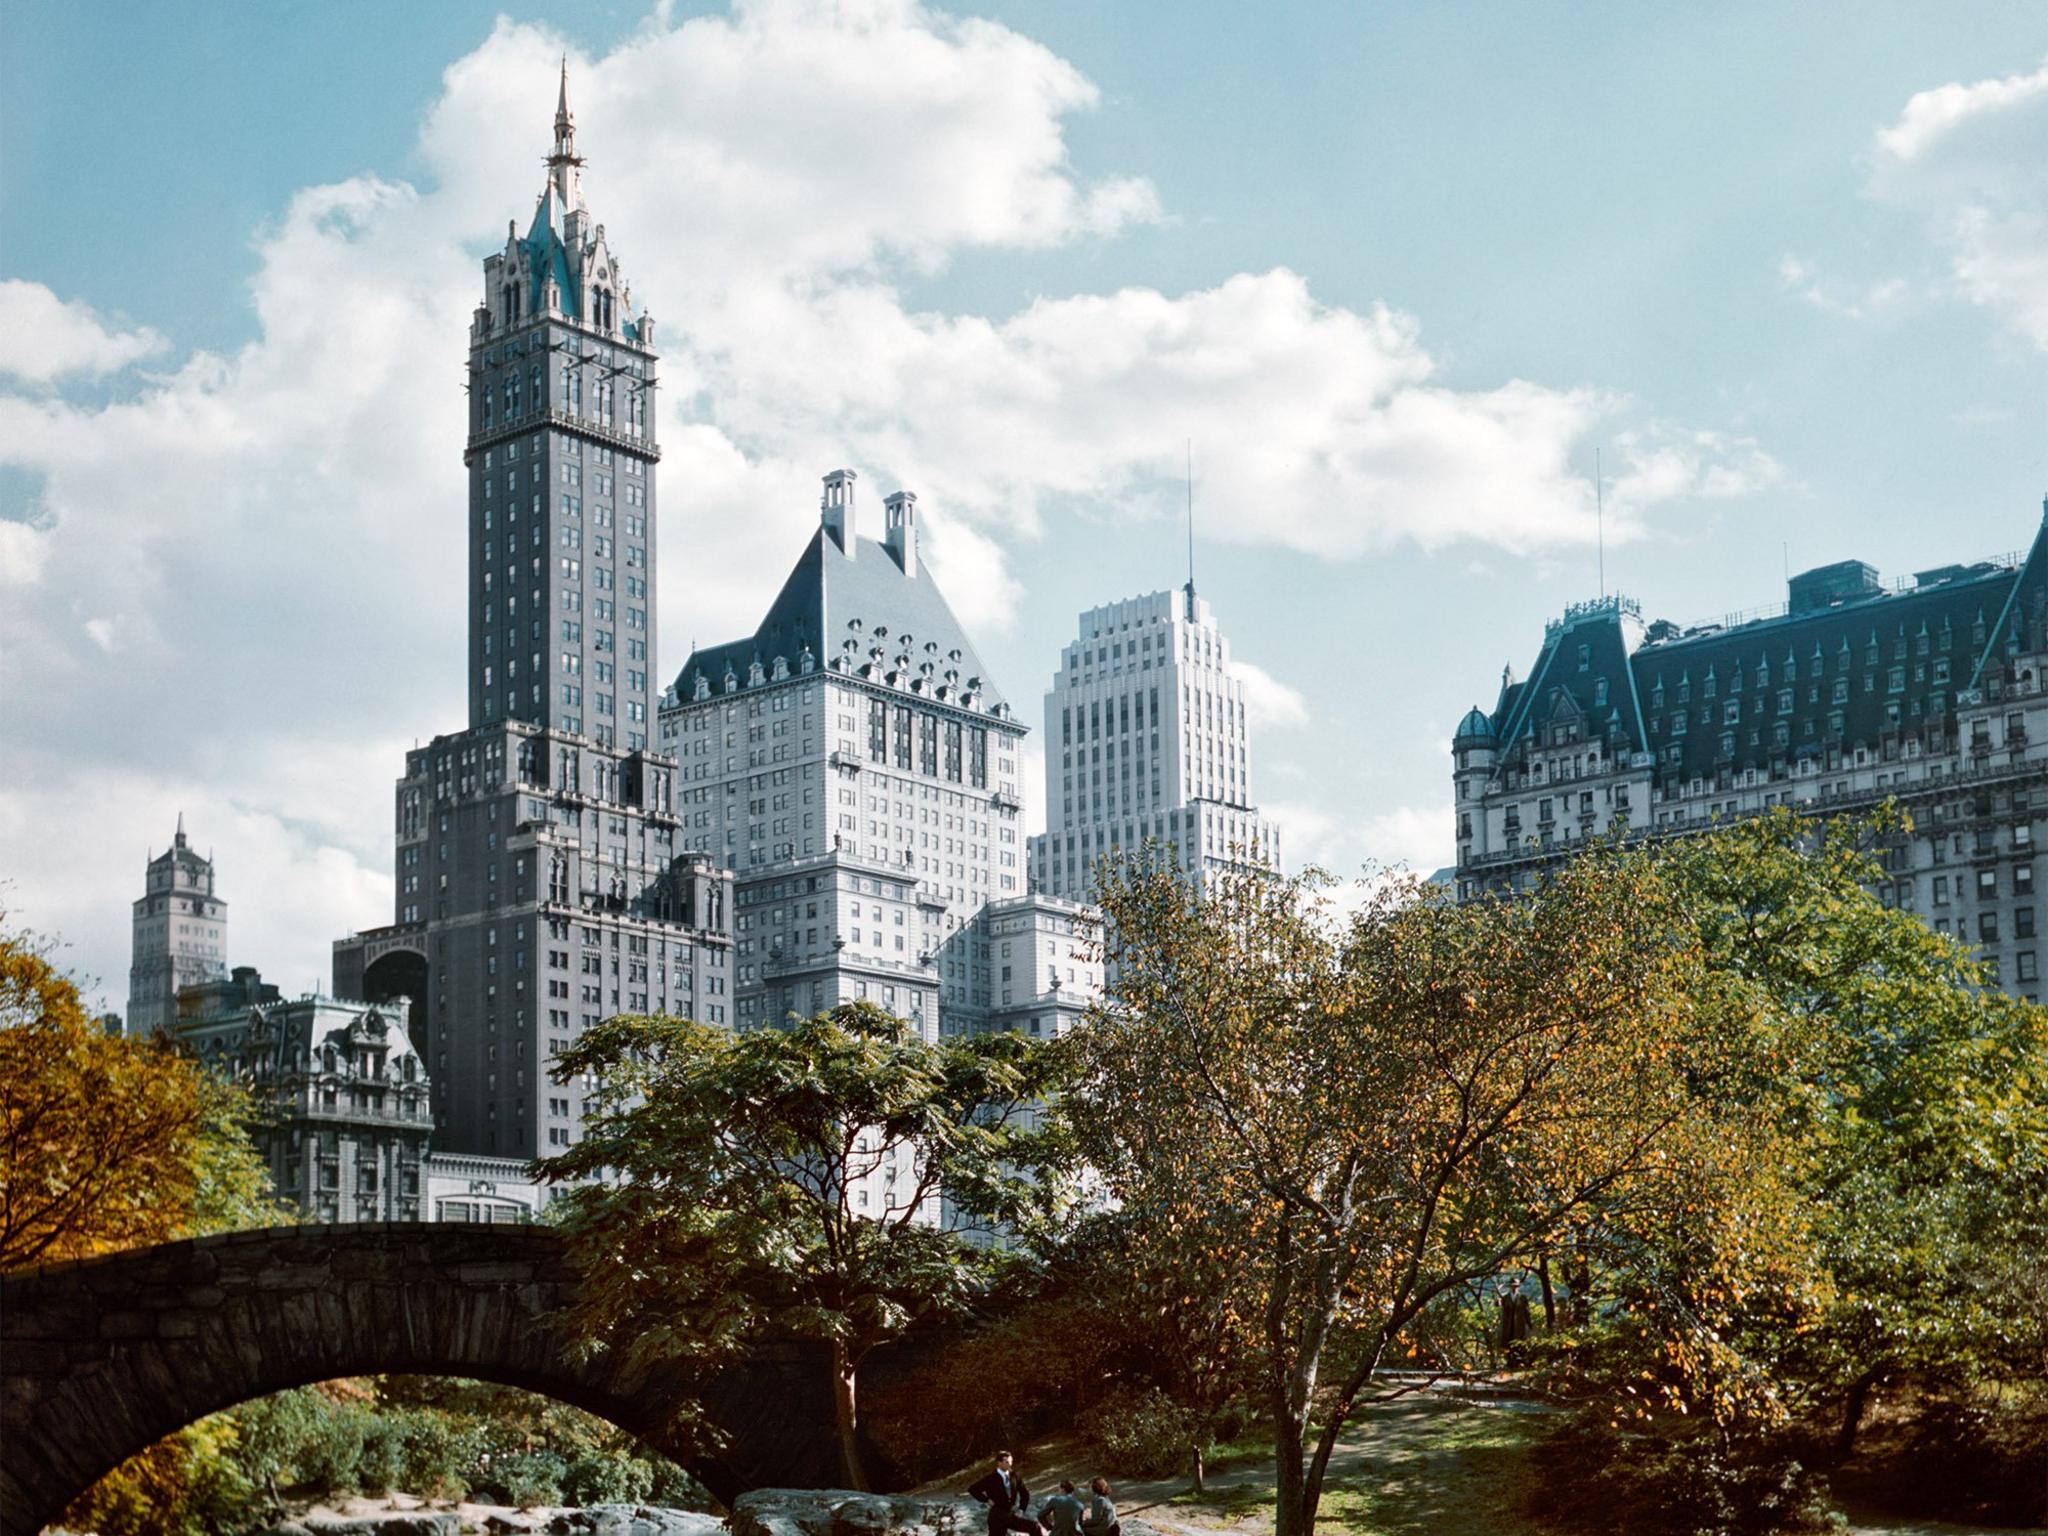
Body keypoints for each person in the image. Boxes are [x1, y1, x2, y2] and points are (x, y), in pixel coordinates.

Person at [967, 1451, 1039, 1536]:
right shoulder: (991, 1478)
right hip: (997, 1515)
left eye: (1011, 1462)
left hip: (1010, 1514)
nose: (1010, 1464)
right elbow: (972, 1489)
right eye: (1007, 1462)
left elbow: (1025, 1494)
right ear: (999, 1463)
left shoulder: (1015, 1476)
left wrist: (1021, 1510)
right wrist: (986, 1500)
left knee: (1034, 1527)